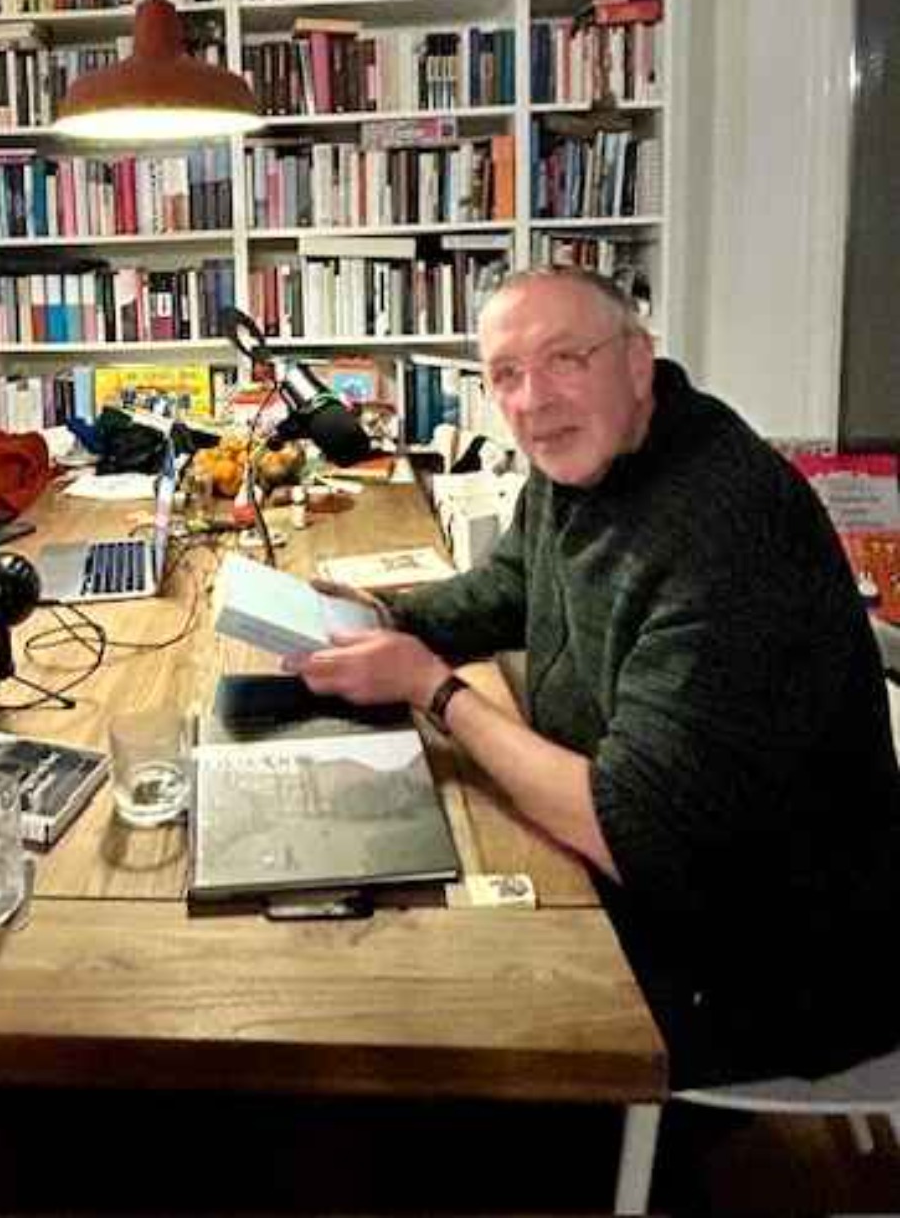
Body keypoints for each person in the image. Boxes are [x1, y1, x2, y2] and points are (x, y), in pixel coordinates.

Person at [291, 265, 900, 1087]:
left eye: (566, 359)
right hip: (651, 878)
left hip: (770, 964)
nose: (533, 400)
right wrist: (384, 618)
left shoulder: (727, 533)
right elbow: (513, 582)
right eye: (506, 374)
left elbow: (631, 832)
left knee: (403, 1004)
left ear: (638, 361)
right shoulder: (593, 454)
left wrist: (434, 689)